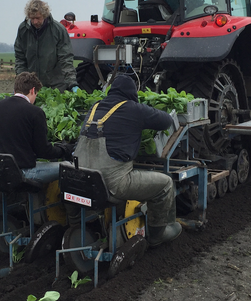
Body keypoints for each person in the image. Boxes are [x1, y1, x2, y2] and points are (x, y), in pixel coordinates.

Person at [74, 74, 182, 247]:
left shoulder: (96, 107)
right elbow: (166, 121)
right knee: (166, 184)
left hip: (83, 180)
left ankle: (82, 226)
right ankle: (158, 234)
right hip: (113, 183)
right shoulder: (133, 108)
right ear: (132, 94)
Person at [0, 71, 71, 184]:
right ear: (32, 90)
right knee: (68, 166)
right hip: (20, 174)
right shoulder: (35, 112)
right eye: (36, 94)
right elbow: (43, 152)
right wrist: (63, 150)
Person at [14, 0, 78, 92]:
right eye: (32, 18)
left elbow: (66, 59)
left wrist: (72, 83)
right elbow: (20, 58)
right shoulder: (23, 30)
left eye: (38, 18)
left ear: (45, 15)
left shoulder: (58, 30)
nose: (35, 22)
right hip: (32, 86)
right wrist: (22, 81)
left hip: (56, 86)